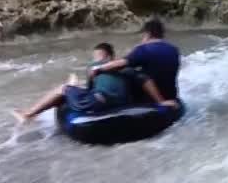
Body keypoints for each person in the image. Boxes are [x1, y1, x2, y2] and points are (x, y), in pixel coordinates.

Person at [14, 42, 167, 122]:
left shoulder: (94, 66)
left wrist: (73, 86)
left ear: (106, 57)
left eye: (97, 56)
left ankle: (28, 114)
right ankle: (71, 85)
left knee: (63, 89)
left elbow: (89, 90)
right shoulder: (126, 68)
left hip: (98, 102)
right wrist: (160, 101)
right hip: (120, 103)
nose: (95, 59)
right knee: (74, 90)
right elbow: (144, 79)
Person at [95, 19, 181, 106]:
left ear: (147, 34)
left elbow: (120, 64)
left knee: (127, 71)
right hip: (171, 95)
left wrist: (98, 69)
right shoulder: (174, 49)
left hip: (150, 98)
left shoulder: (144, 49)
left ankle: (105, 98)